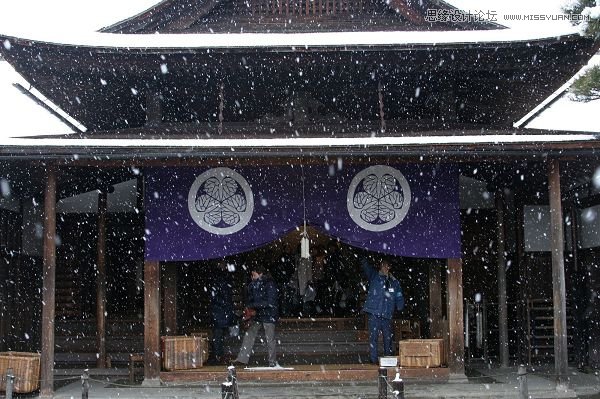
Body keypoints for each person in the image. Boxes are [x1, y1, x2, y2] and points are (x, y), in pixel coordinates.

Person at [232, 264, 280, 367]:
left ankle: (272, 361)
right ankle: (243, 358)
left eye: (254, 274)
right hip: (261, 314)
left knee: (269, 338)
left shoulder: (268, 284)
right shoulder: (256, 285)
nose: (252, 277)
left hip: (267, 314)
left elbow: (269, 302)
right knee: (252, 335)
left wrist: (252, 307)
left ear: (260, 273)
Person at [361, 256, 405, 364]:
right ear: (380, 267)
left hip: (387, 314)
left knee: (388, 339)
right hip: (374, 313)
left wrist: (400, 306)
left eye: (387, 266)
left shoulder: (394, 282)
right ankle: (373, 360)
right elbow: (366, 267)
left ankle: (388, 359)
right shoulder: (374, 276)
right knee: (373, 338)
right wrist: (363, 255)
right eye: (383, 266)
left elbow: (399, 296)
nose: (386, 268)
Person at [206, 260, 236, 366]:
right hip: (222, 312)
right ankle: (218, 355)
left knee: (217, 336)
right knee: (219, 336)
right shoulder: (224, 280)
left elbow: (215, 297)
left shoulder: (217, 280)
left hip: (219, 312)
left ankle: (217, 355)